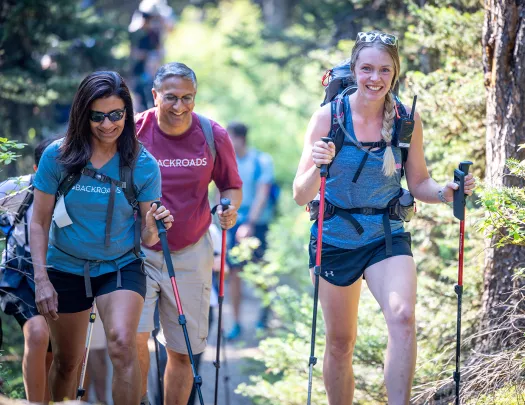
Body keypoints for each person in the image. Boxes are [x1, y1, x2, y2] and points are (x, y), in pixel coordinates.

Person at [292, 31, 476, 405]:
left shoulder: (406, 120)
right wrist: (319, 165)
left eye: (383, 70)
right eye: (366, 69)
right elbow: (300, 194)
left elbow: (419, 181)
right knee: (341, 343)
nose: (374, 78)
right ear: (355, 69)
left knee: (403, 317)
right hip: (335, 237)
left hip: (386, 234)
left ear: (395, 74)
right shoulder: (329, 117)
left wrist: (444, 193)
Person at [30, 71, 173, 405]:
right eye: (98, 116)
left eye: (116, 115)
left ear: (127, 112)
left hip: (120, 264)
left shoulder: (143, 165)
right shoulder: (57, 156)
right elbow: (38, 222)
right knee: (68, 362)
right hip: (65, 265)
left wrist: (154, 224)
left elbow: (148, 237)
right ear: (83, 115)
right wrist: (41, 279)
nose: (108, 124)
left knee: (123, 344)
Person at [135, 62, 242, 405]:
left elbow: (231, 186)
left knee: (183, 351)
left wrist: (228, 208)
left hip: (191, 250)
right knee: (133, 340)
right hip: (136, 250)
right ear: (155, 96)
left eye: (187, 98)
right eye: (170, 97)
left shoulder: (212, 134)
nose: (179, 106)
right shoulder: (134, 132)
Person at [0, 137, 55, 403]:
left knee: (56, 353)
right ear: (36, 169)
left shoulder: (78, 192)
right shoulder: (19, 188)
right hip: (19, 274)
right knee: (37, 334)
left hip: (63, 275)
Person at [225, 122, 275, 339]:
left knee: (258, 271)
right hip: (233, 221)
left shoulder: (261, 161)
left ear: (240, 138)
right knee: (234, 272)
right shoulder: (227, 161)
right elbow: (221, 191)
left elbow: (263, 195)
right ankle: (236, 324)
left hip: (257, 223)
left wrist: (250, 224)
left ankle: (263, 318)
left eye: (229, 138)